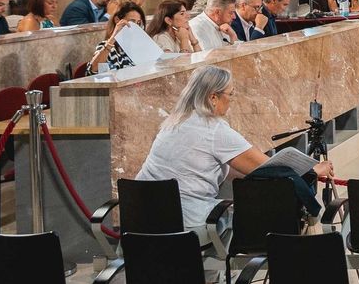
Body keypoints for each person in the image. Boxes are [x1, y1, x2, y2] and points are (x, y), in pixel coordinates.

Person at [134, 66, 334, 228]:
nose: (231, 101)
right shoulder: (214, 129)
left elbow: (211, 167)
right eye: (230, 94)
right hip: (184, 218)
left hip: (142, 213)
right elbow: (270, 169)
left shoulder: (174, 121)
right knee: (255, 220)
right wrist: (312, 170)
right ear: (213, 97)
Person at [89, 2, 145, 73]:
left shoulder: (138, 46)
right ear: (117, 20)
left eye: (138, 23)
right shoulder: (108, 49)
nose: (135, 26)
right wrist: (113, 37)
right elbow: (94, 71)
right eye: (132, 21)